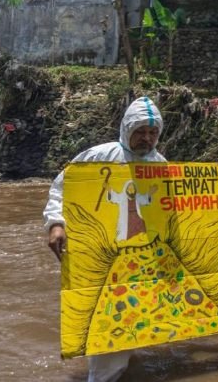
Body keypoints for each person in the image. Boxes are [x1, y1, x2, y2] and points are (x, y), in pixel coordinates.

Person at [44, 96, 166, 382]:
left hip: (141, 256)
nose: (147, 138)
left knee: (133, 316)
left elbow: (169, 210)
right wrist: (55, 224)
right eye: (140, 131)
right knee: (108, 320)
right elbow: (60, 190)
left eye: (153, 132)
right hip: (101, 253)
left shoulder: (161, 165)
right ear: (126, 129)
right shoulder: (100, 156)